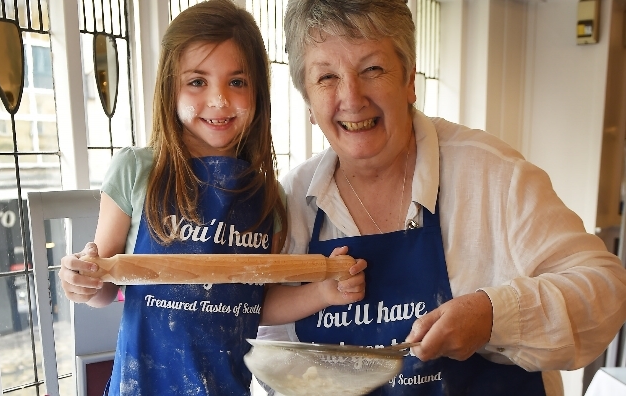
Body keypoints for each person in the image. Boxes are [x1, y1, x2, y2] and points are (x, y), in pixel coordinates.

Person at [257, 0, 626, 395]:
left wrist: (490, 316)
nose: (352, 97)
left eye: (372, 69)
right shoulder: (290, 201)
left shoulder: (492, 174)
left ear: (409, 79)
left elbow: (604, 289)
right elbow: (268, 343)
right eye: (327, 77)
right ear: (309, 103)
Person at [58, 1, 365, 395]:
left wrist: (324, 292)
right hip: (143, 384)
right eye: (197, 82)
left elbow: (256, 303)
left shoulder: (267, 196)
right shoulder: (137, 170)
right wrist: (84, 278)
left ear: (258, 91)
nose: (219, 100)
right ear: (171, 87)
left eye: (236, 82)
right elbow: (104, 283)